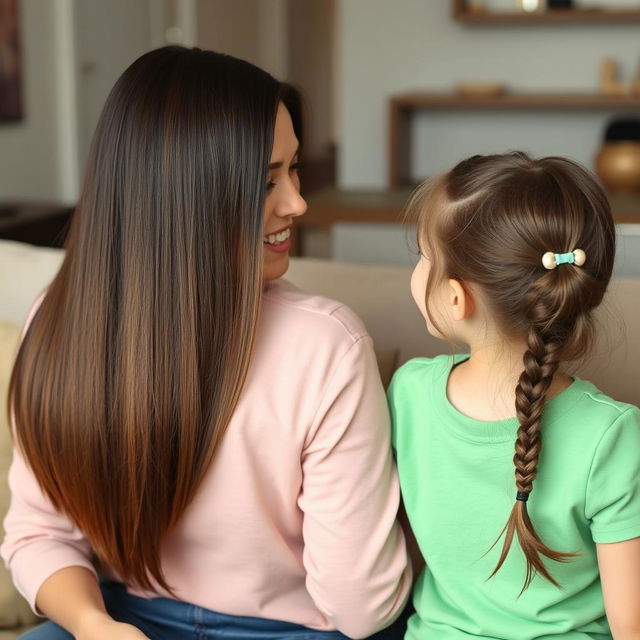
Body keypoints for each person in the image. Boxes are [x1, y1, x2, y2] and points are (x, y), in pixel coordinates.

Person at [1, 46, 411, 640]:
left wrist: (93, 627)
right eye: (269, 180)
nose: (298, 202)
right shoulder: (328, 344)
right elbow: (363, 604)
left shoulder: (57, 316)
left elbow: (37, 535)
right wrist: (96, 626)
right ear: (183, 195)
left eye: (294, 170)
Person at [388, 152, 640, 639]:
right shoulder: (613, 434)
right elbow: (632, 625)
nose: (418, 268)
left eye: (422, 255)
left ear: (456, 298)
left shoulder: (409, 394)